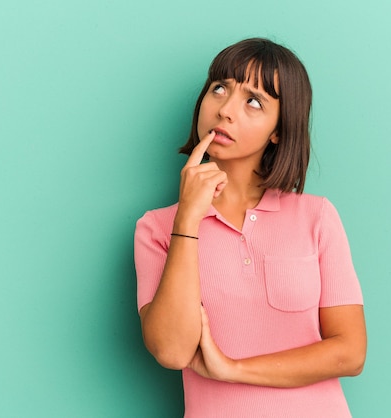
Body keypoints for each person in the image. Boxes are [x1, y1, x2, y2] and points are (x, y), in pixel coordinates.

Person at [134, 38, 367, 417]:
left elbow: (350, 353)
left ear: (279, 129)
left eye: (254, 101)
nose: (225, 110)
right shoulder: (157, 228)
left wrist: (233, 369)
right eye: (219, 88)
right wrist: (189, 219)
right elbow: (173, 351)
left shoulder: (317, 217)